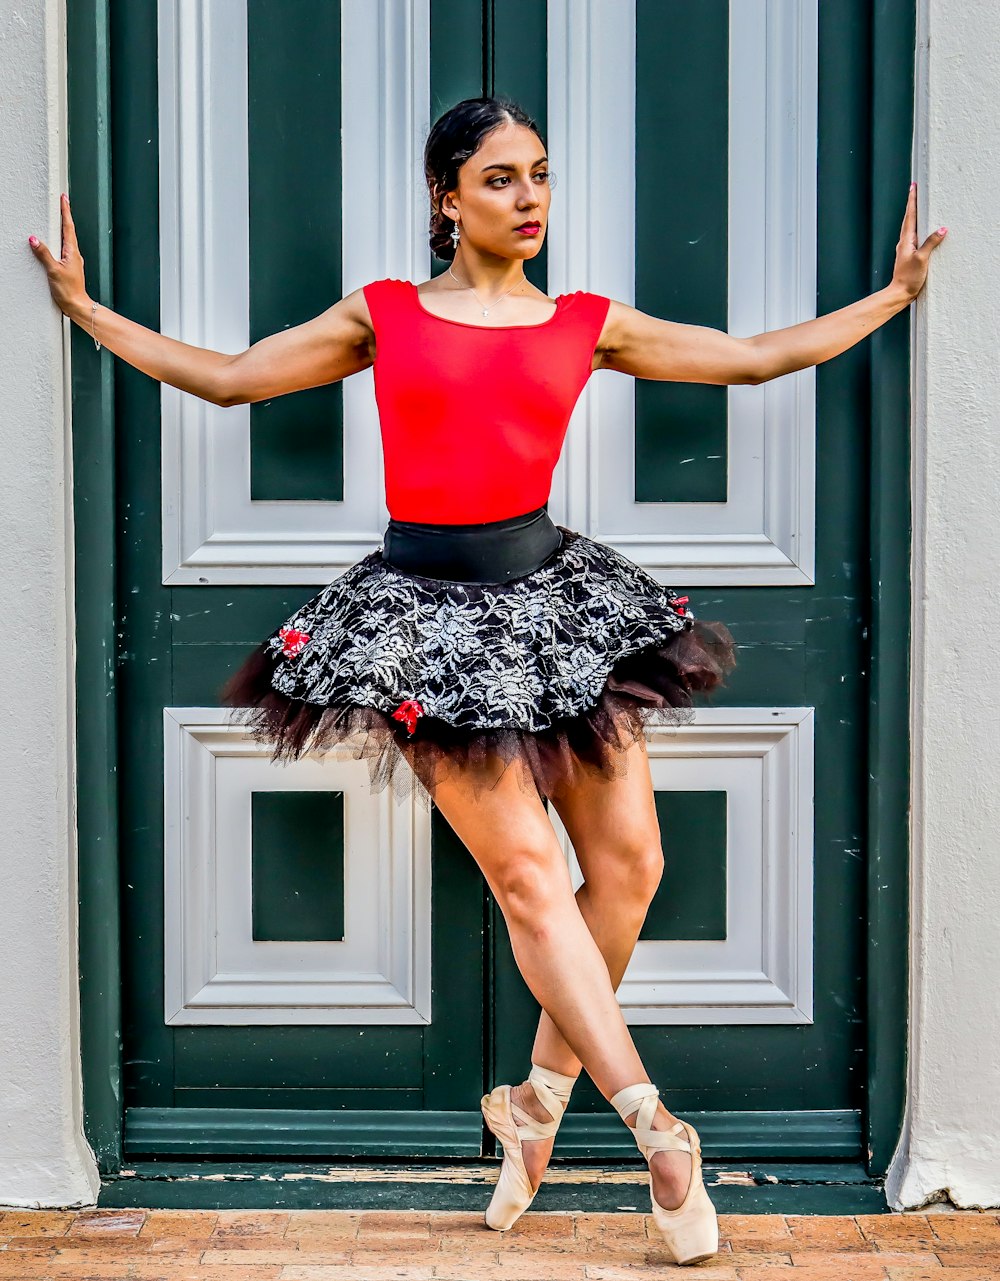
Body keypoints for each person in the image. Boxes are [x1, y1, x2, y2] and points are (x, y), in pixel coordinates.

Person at [31, 94, 944, 1267]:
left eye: (542, 177)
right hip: (423, 617)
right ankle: (653, 1125)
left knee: (629, 868)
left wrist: (893, 296)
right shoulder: (388, 313)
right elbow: (227, 378)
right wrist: (84, 307)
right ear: (445, 196)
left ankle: (536, 1103)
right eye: (503, 178)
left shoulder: (584, 322)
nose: (530, 201)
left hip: (555, 602)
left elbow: (757, 359)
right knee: (526, 878)